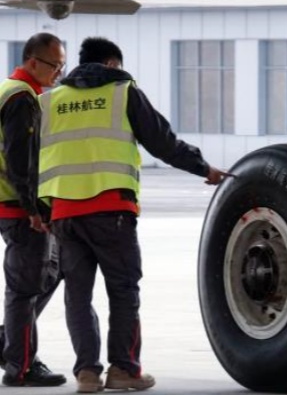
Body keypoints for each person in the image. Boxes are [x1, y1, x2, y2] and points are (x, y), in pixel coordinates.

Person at [38, 37, 229, 393]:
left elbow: (30, 158)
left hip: (63, 213)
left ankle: (87, 374)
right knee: (123, 291)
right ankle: (124, 369)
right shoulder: (122, 91)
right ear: (112, 64)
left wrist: (43, 210)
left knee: (77, 296)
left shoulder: (49, 100)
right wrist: (204, 168)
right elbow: (162, 141)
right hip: (111, 211)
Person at [0, 32, 66, 387]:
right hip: (18, 205)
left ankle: (10, 344)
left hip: (10, 202)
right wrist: (33, 208)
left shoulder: (10, 90)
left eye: (61, 65)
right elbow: (19, 159)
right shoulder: (22, 98)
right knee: (25, 289)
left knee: (50, 270)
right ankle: (21, 366)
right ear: (32, 62)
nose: (58, 72)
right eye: (54, 65)